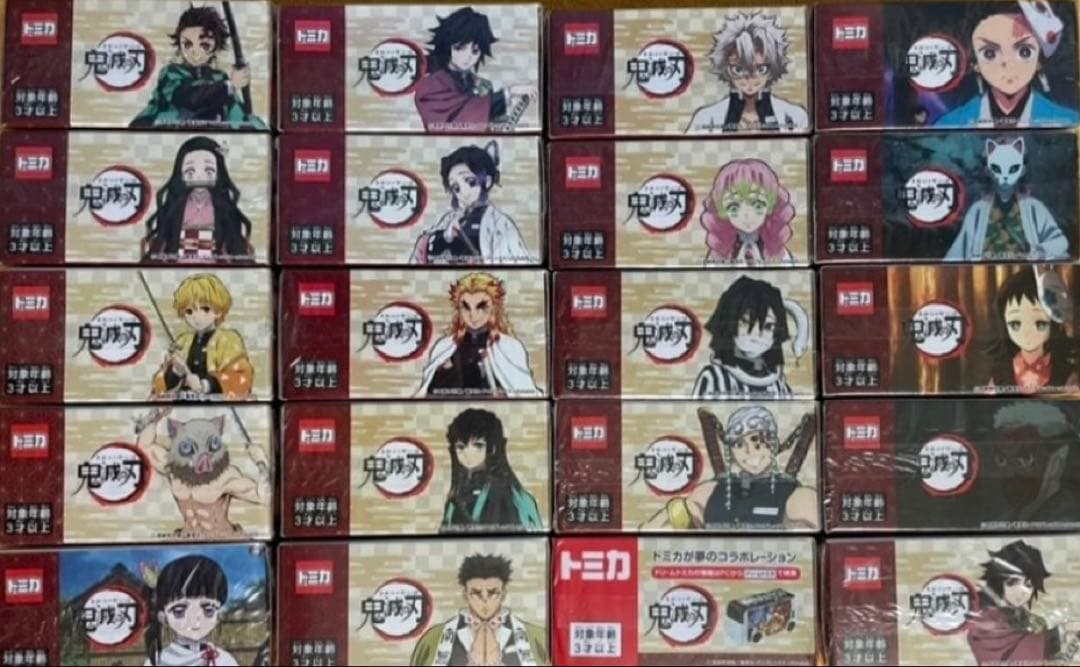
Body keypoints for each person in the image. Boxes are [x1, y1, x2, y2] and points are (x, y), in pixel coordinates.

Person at [641, 406, 817, 530]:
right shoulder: (710, 490)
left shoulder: (798, 496)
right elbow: (650, 530)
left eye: (757, 443)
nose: (749, 452)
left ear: (774, 444)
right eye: (739, 445)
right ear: (731, 450)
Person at [935, 1, 1078, 128]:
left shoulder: (1068, 121)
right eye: (989, 53)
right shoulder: (950, 125)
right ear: (975, 63)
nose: (1007, 63)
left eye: (1024, 52)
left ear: (1039, 61)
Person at [130, 5, 267, 129]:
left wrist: (254, 126)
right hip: (160, 131)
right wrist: (230, 85)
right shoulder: (171, 73)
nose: (195, 52)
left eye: (205, 45)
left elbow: (236, 115)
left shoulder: (219, 78)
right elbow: (189, 99)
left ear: (216, 47)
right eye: (187, 44)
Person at [414, 272, 542, 397]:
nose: (473, 315)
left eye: (481, 306)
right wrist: (443, 370)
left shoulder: (510, 347)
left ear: (494, 307)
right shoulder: (444, 346)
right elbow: (426, 393)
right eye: (466, 307)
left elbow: (526, 394)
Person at [410, 554, 548, 666]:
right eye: (476, 593)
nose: (485, 600)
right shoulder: (434, 638)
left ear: (503, 594)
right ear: (465, 594)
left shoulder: (537, 637)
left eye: (492, 592)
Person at [413, 7, 537, 131]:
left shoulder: (483, 85)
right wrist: (507, 94)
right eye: (460, 48)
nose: (468, 56)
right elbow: (456, 122)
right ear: (447, 46)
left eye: (475, 51)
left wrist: (512, 111)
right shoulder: (430, 86)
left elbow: (491, 124)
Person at [410, 142, 533, 265]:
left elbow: (516, 265)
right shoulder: (449, 219)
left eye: (471, 182)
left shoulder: (499, 223)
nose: (464, 192)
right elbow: (420, 255)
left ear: (488, 181)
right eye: (456, 188)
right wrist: (443, 236)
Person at [945, 138, 1067, 261]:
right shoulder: (977, 211)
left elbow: (1060, 242)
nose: (1005, 177)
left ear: (1022, 171)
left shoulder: (1034, 208)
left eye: (1013, 169)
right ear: (987, 171)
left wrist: (1040, 251)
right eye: (997, 169)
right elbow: (956, 253)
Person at [686, 12, 808, 133]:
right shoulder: (706, 118)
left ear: (772, 69)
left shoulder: (794, 115)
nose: (749, 78)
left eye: (761, 69)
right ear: (726, 69)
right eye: (738, 69)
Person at [692, 275, 809, 398]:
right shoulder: (713, 378)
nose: (756, 334)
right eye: (745, 321)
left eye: (768, 326)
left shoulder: (778, 385)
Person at [142, 136, 254, 263]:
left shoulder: (224, 208)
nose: (199, 177)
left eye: (209, 171)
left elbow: (237, 249)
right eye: (190, 171)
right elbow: (159, 246)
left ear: (219, 174)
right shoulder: (174, 207)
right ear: (181, 174)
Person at [967, 540, 1080, 664]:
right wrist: (1061, 631)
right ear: (998, 581)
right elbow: (1014, 655)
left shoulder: (1023, 616)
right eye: (1013, 582)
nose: (1022, 592)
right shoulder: (985, 616)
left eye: (1028, 585)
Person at [151, 273, 255, 400]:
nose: (196, 316)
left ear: (218, 311)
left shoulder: (228, 340)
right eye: (189, 311)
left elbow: (241, 376)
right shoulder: (182, 341)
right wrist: (175, 372)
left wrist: (206, 385)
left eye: (205, 309)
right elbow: (160, 385)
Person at [440, 408, 542, 532]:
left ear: (492, 447)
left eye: (478, 446)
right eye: (461, 447)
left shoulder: (502, 491)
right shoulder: (460, 487)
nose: (468, 453)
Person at [985, 267, 1078, 393]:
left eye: (1040, 323)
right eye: (1015, 324)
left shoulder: (1066, 374)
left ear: (1054, 322)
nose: (1027, 333)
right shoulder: (999, 375)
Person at [143, 555, 238, 666]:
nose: (195, 619)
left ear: (218, 616)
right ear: (163, 618)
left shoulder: (224, 660)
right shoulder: (157, 661)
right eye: (179, 611)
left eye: (208, 610)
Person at [700, 159, 796, 265]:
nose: (746, 215)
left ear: (771, 205)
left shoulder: (777, 251)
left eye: (758, 205)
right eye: (734, 208)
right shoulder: (720, 252)